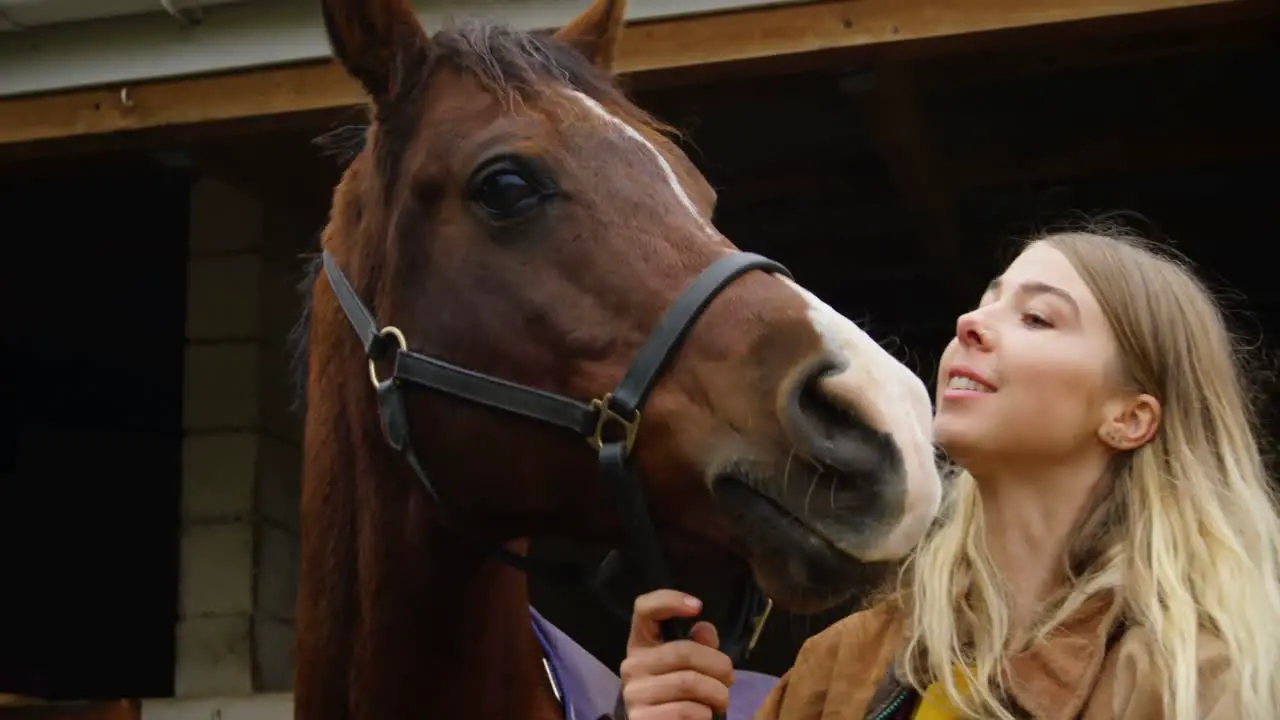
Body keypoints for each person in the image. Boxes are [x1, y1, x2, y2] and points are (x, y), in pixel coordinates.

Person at [618, 228, 1280, 719]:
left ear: (1129, 418)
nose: (972, 324)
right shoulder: (846, 663)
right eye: (987, 302)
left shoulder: (1201, 680)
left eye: (1037, 318)